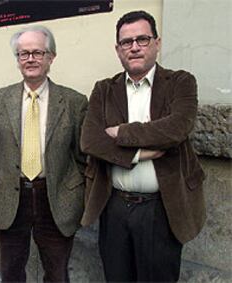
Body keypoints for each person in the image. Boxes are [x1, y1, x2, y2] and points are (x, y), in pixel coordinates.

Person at [80, 10, 206, 282]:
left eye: (142, 39)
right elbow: (90, 140)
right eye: (127, 42)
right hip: (113, 207)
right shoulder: (104, 89)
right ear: (118, 49)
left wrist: (121, 132)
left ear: (157, 43)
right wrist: (139, 153)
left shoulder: (181, 82)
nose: (134, 47)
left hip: (161, 208)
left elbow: (176, 128)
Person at [0, 25, 87, 282]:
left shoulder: (74, 101)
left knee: (57, 271)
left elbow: (83, 157)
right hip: (10, 197)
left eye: (38, 52)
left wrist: (78, 194)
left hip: (55, 196)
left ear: (51, 57)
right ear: (17, 60)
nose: (30, 59)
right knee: (11, 270)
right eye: (23, 53)